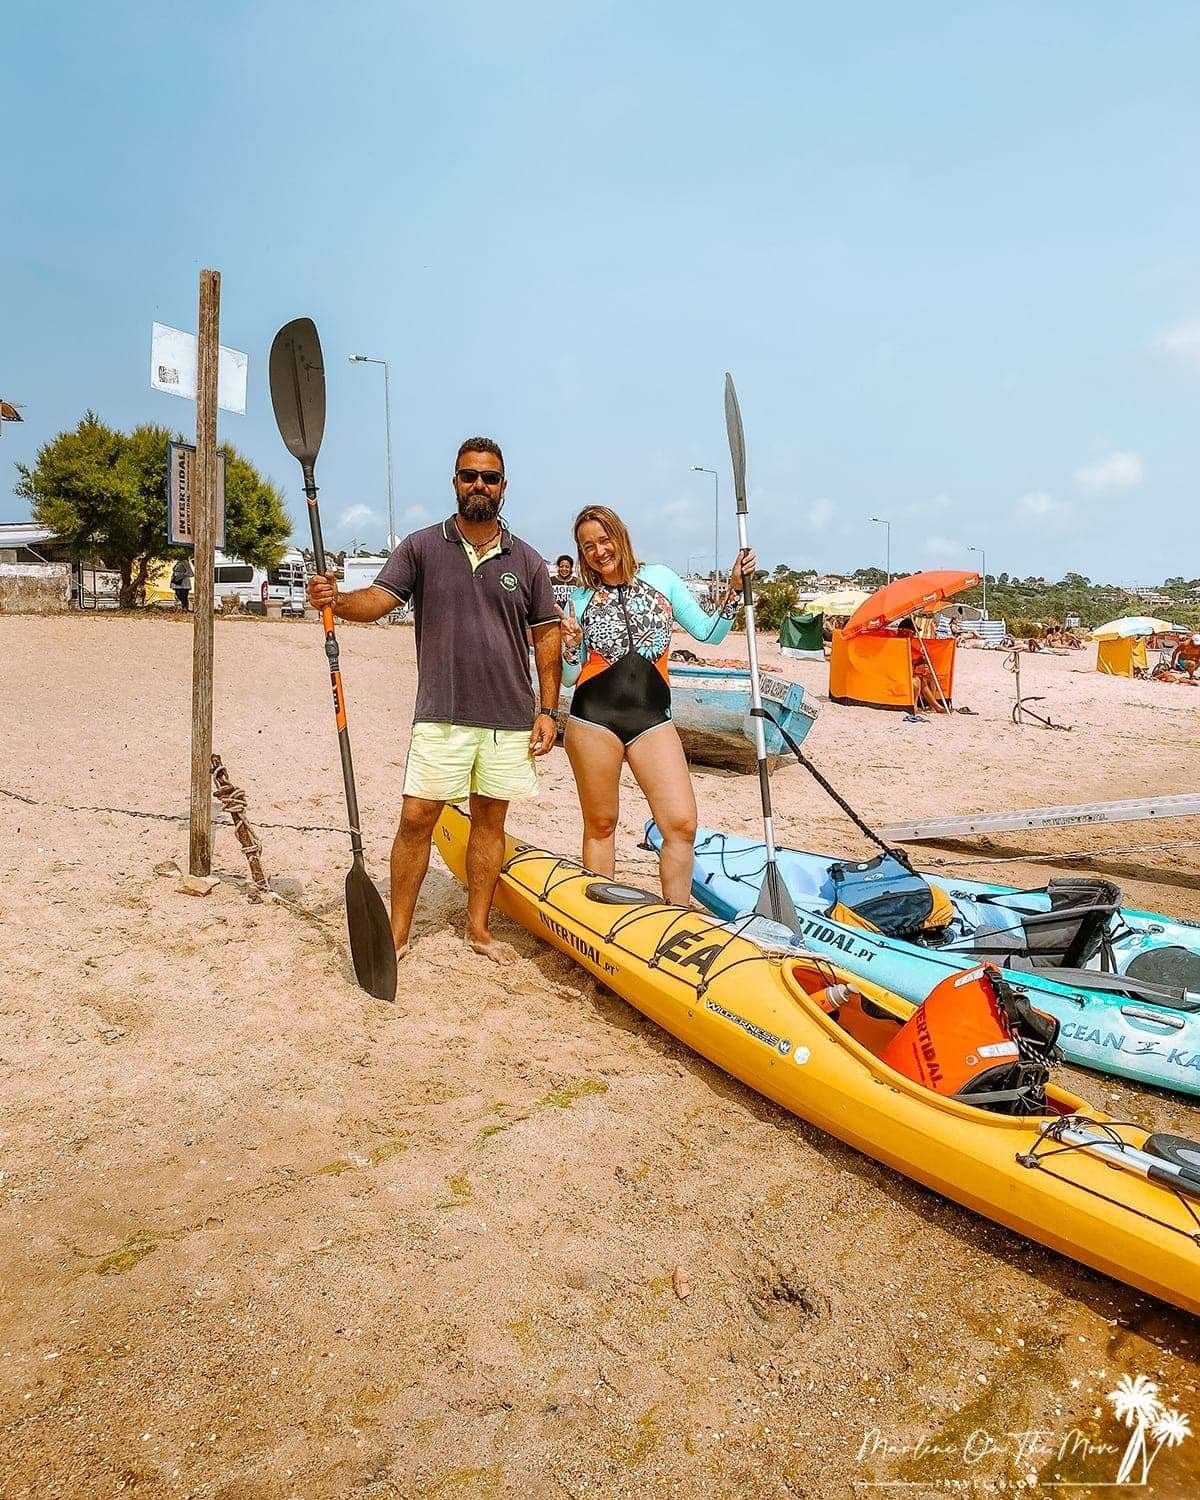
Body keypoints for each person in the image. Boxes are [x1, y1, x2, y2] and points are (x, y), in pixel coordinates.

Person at [306, 437, 562, 963]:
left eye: (489, 478)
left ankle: (478, 930)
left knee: (490, 823)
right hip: (440, 712)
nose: (479, 486)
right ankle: (398, 935)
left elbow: (548, 639)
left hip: (508, 717)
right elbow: (379, 600)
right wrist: (338, 600)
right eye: (469, 476)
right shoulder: (422, 547)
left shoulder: (529, 560)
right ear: (455, 482)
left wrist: (548, 710)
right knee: (417, 818)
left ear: (503, 487)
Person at [559, 505, 754, 903]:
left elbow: (709, 633)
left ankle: (676, 917)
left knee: (681, 824)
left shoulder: (661, 579)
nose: (598, 551)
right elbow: (568, 676)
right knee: (601, 823)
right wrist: (571, 644)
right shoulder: (578, 600)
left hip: (652, 720)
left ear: (620, 535)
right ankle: (599, 919)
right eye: (587, 546)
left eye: (604, 539)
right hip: (593, 719)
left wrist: (734, 590)